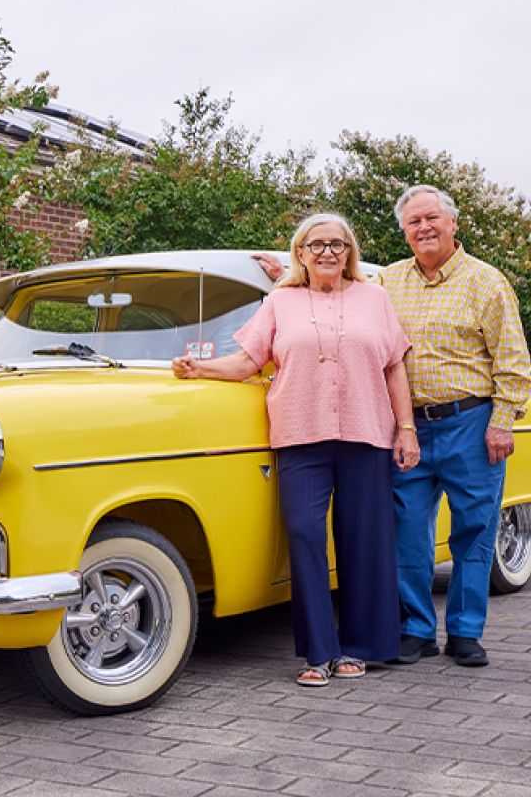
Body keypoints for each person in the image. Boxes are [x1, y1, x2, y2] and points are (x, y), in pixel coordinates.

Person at [257, 187, 531, 667]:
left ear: (452, 223)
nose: (423, 228)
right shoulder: (387, 283)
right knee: (406, 531)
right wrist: (285, 277)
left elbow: (512, 361)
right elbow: (333, 298)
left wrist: (502, 423)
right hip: (404, 428)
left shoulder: (487, 283)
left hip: (470, 421)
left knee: (474, 530)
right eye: (413, 222)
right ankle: (418, 629)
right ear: (403, 231)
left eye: (431, 219)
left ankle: (465, 632)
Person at [174, 213, 419, 687]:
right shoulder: (280, 301)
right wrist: (199, 369)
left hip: (367, 433)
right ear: (300, 253)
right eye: (317, 244)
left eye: (337, 244)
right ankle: (317, 651)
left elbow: (393, 366)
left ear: (349, 252)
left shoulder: (375, 298)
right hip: (300, 435)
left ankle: (360, 647)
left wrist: (405, 428)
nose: (328, 252)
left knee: (364, 541)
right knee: (305, 536)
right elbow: (249, 359)